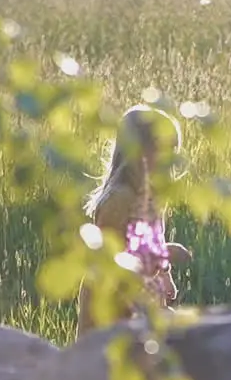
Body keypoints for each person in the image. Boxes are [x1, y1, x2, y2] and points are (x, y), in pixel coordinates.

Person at [75, 104, 192, 340]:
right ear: (138, 152)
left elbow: (148, 247)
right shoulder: (119, 201)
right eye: (165, 151)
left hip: (136, 316)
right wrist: (167, 254)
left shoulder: (149, 199)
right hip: (107, 319)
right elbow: (114, 265)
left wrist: (164, 275)